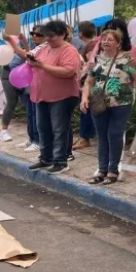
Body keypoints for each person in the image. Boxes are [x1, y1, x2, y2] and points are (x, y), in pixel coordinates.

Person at [82, 29, 136, 184]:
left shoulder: (126, 61)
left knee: (115, 135)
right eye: (104, 39)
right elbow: (89, 81)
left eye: (110, 39)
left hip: (121, 103)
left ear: (118, 43)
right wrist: (84, 98)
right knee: (102, 137)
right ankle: (102, 169)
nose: (106, 42)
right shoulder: (97, 60)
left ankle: (113, 170)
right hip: (99, 102)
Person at [26, 20, 82, 175]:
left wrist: (42, 66)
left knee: (59, 129)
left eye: (52, 36)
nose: (49, 39)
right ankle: (46, 158)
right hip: (42, 95)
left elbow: (68, 71)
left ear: (63, 34)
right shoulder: (45, 48)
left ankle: (60, 161)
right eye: (47, 36)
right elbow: (34, 61)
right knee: (43, 128)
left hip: (62, 96)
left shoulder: (69, 51)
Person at [7, 28, 46, 152]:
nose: (35, 36)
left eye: (38, 34)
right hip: (30, 85)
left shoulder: (45, 48)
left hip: (39, 85)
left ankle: (38, 141)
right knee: (30, 113)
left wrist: (13, 42)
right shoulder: (36, 48)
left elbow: (26, 55)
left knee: (36, 115)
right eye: (32, 34)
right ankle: (32, 138)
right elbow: (29, 54)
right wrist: (23, 42)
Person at [74, 21, 98, 150]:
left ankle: (85, 138)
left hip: (88, 82)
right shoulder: (92, 45)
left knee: (85, 109)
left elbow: (91, 65)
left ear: (81, 33)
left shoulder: (90, 46)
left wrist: (84, 81)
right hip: (87, 82)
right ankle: (84, 137)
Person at [0, 50, 21, 143]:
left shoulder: (30, 38)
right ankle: (3, 131)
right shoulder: (4, 38)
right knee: (12, 101)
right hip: (7, 71)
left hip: (25, 71)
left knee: (30, 102)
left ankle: (34, 136)